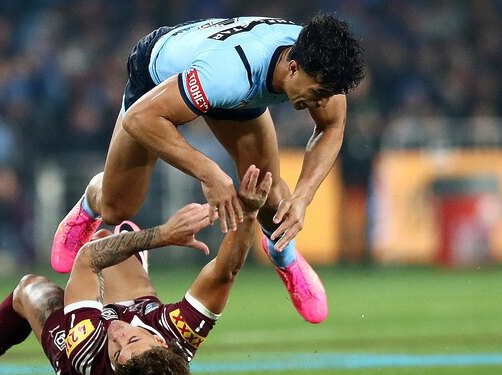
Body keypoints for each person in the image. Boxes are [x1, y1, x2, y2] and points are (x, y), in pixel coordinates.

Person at [50, 15, 365, 324]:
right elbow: (140, 119)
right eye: (317, 94)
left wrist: (303, 197)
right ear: (293, 68)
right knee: (118, 208)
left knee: (270, 194)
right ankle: (92, 201)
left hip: (226, 85)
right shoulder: (228, 73)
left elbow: (331, 127)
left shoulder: (321, 61)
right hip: (157, 80)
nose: (321, 103)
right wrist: (209, 172)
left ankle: (284, 256)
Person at [0, 166, 271, 375]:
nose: (117, 336)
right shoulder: (179, 332)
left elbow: (86, 261)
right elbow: (226, 271)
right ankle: (130, 261)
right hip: (140, 318)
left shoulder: (88, 351)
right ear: (159, 340)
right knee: (106, 241)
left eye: (119, 351)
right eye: (130, 339)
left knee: (31, 289)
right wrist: (251, 212)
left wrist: (163, 235)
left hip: (81, 365)